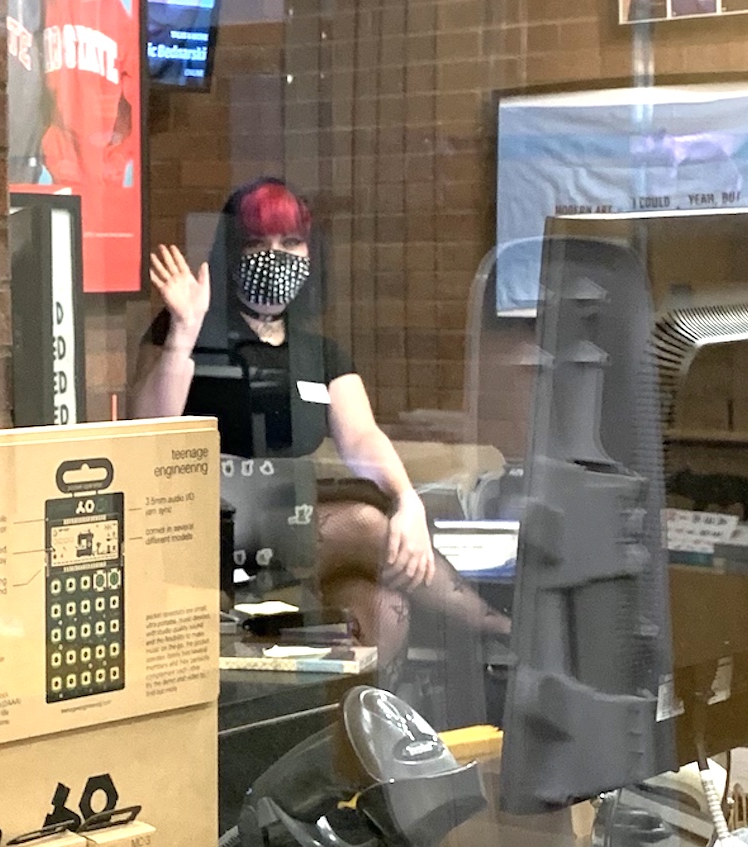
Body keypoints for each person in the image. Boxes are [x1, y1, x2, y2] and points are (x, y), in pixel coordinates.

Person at [132, 178, 510, 681]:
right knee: (367, 525)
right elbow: (147, 430)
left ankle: (349, 737)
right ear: (231, 252)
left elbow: (361, 438)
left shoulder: (320, 353)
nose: (275, 256)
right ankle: (493, 628)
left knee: (383, 606)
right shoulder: (190, 330)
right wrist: (184, 333)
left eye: (290, 243)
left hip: (288, 534)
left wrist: (407, 501)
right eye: (256, 243)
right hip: (202, 535)